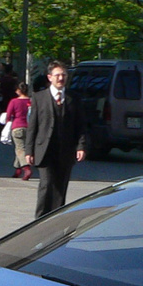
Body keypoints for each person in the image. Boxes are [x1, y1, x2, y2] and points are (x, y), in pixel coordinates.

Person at [24, 60, 87, 217]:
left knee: (60, 187)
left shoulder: (74, 99)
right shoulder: (39, 98)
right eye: (57, 75)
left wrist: (81, 147)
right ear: (49, 77)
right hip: (44, 150)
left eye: (64, 75)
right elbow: (33, 126)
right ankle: (39, 220)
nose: (61, 78)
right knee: (46, 184)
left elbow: (80, 126)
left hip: (65, 151)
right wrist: (29, 150)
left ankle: (55, 219)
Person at [2, 77, 32, 178]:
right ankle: (17, 170)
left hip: (17, 126)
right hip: (29, 127)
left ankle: (26, 168)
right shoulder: (31, 101)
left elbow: (9, 115)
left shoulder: (14, 102)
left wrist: (7, 124)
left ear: (18, 91)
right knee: (22, 148)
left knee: (20, 149)